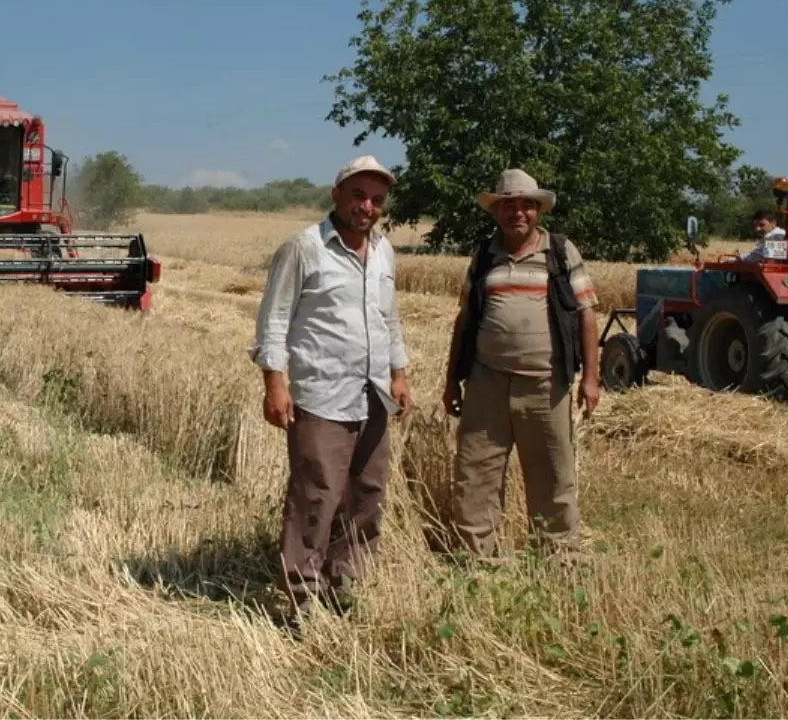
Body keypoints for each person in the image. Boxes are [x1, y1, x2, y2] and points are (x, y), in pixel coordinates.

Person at [250, 154, 413, 617]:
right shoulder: (303, 249)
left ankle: (346, 585)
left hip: (372, 394)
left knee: (366, 493)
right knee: (315, 494)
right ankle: (302, 597)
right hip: (321, 393)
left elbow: (389, 317)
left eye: (377, 200)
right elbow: (274, 319)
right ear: (337, 194)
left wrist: (398, 374)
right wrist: (275, 384)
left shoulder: (384, 252)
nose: (367, 206)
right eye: (359, 195)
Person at [441, 169, 599, 562]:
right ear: (496, 211)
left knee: (553, 475)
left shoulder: (561, 253)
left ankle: (561, 557)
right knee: (476, 472)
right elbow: (464, 319)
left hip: (546, 385)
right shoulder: (484, 256)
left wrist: (591, 379)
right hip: (486, 383)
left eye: (526, 205)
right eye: (509, 205)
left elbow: (587, 316)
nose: (518, 213)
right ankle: (476, 558)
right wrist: (451, 380)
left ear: (538, 210)